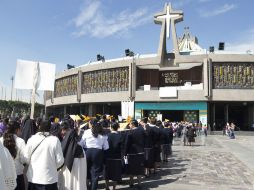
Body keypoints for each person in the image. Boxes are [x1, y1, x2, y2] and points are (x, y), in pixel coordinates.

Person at [24, 120, 64, 190]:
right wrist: (52, 167)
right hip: (49, 179)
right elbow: (60, 161)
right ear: (50, 128)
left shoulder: (32, 139)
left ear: (39, 126)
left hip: (34, 178)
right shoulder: (55, 140)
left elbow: (26, 158)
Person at [80, 119, 109, 190]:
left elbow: (81, 143)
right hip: (98, 153)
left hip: (88, 151)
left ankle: (86, 187)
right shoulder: (103, 133)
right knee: (95, 174)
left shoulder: (87, 132)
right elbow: (106, 147)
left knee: (86, 171)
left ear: (92, 125)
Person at [0, 120, 26, 190]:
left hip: (4, 174)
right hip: (18, 174)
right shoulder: (20, 141)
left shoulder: (1, 140)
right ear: (17, 130)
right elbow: (24, 159)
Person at [124, 120, 145, 189]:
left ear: (133, 125)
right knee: (139, 169)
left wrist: (125, 153)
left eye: (130, 124)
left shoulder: (129, 132)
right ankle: (139, 184)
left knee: (131, 169)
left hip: (132, 153)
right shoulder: (142, 131)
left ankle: (131, 183)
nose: (129, 126)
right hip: (141, 152)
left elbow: (127, 144)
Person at [104, 122, 123, 190]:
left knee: (107, 173)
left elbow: (104, 147)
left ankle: (107, 187)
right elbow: (122, 147)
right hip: (117, 157)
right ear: (117, 127)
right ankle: (114, 188)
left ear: (111, 127)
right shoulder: (120, 136)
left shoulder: (107, 135)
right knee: (115, 173)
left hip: (108, 157)